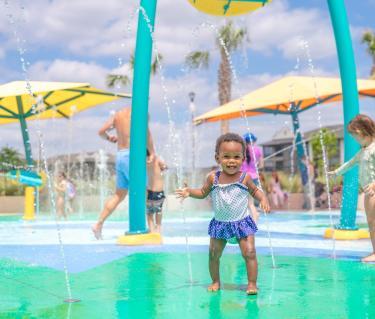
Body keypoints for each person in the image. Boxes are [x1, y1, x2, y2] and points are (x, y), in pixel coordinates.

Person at [176, 133, 270, 295]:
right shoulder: (213, 178)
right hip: (220, 224)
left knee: (250, 253)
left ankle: (252, 284)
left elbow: (255, 191)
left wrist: (263, 198)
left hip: (242, 223)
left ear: (242, 158)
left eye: (236, 157)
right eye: (226, 156)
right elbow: (203, 192)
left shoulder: (244, 178)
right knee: (213, 254)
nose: (231, 161)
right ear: (217, 158)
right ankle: (215, 281)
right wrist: (189, 192)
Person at [92, 107, 155, 240]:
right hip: (133, 156)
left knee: (119, 194)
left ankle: (98, 224)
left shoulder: (118, 114)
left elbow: (101, 132)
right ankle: (151, 228)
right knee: (145, 192)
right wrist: (152, 152)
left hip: (121, 156)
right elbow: (147, 134)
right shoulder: (140, 112)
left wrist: (109, 138)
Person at [328, 114, 375, 263]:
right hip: (369, 193)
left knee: (374, 221)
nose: (354, 139)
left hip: (374, 190)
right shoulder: (363, 151)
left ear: (362, 132)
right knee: (371, 221)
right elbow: (350, 163)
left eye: (355, 136)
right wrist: (336, 172)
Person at [241, 132, 264, 222]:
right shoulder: (258, 150)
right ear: (253, 140)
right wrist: (255, 166)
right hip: (254, 178)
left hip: (244, 178)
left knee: (245, 202)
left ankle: (253, 216)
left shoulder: (242, 151)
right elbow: (262, 165)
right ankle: (254, 217)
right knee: (250, 202)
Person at [146, 154, 167, 233]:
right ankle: (158, 228)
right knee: (158, 211)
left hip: (150, 192)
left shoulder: (144, 162)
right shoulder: (156, 159)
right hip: (159, 191)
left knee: (149, 213)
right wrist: (163, 167)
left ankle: (152, 229)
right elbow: (164, 167)